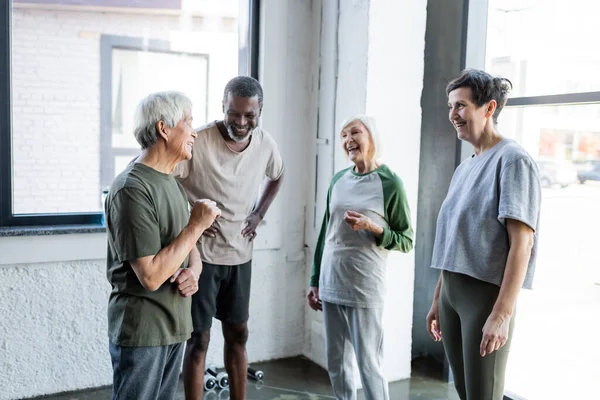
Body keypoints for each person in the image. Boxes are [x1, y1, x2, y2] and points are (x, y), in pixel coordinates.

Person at [425, 69, 542, 400]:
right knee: (465, 393)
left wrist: (501, 315)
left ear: (489, 108)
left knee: (483, 395)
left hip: (484, 297)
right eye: (450, 106)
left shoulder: (513, 160)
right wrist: (438, 299)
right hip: (451, 294)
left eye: (461, 106)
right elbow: (454, 241)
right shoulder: (465, 167)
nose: (453, 115)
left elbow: (523, 244)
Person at [105, 91, 221, 399]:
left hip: (174, 325)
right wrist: (197, 223)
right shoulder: (132, 187)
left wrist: (194, 272)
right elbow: (151, 275)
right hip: (143, 329)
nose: (195, 132)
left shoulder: (171, 182)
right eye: (188, 122)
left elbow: (189, 250)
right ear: (163, 129)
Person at [174, 76, 284, 400]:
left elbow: (278, 175)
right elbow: (165, 177)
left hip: (239, 256)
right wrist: (191, 216)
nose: (241, 121)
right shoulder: (201, 140)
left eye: (249, 115)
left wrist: (258, 213)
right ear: (223, 106)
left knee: (238, 335)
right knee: (199, 340)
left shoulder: (265, 143)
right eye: (234, 113)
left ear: (260, 110)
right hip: (202, 258)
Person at [307, 115, 414, 400]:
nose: (347, 140)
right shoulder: (338, 180)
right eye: (343, 135)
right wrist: (315, 280)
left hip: (365, 285)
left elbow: (407, 240)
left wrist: (373, 227)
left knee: (369, 364)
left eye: (355, 132)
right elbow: (324, 233)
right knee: (337, 364)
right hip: (331, 282)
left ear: (372, 136)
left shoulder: (391, 183)